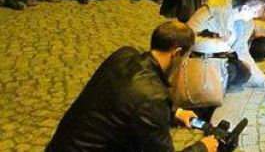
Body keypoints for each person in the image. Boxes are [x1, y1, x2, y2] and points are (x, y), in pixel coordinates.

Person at [46, 21, 218, 152]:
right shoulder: (153, 95)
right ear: (177, 52)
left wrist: (175, 113)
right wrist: (203, 147)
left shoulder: (124, 54)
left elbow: (127, 103)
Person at [186, 0, 265, 90]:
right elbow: (187, 39)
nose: (256, 15)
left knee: (243, 71)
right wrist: (216, 45)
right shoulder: (214, 11)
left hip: (220, 59)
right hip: (196, 61)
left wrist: (264, 82)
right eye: (255, 11)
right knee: (233, 71)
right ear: (245, 7)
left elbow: (242, 52)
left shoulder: (245, 22)